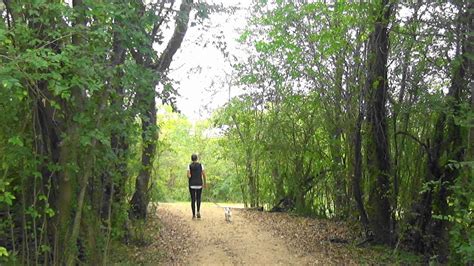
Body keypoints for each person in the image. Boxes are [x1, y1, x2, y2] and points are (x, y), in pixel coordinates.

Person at [187, 154, 207, 219]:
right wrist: (205, 183)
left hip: (192, 184)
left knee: (193, 199)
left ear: (191, 159)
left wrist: (190, 175)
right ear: (197, 158)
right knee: (198, 198)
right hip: (199, 184)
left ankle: (193, 215)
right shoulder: (201, 165)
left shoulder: (189, 166)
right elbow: (203, 174)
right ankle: (198, 211)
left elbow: (188, 176)